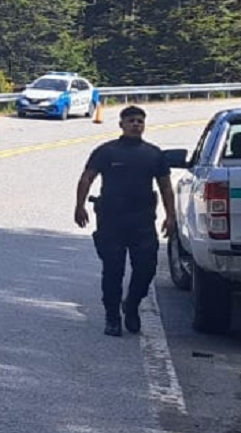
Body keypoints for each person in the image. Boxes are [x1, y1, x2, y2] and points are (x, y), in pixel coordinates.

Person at [74, 105, 176, 337]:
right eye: (131, 120)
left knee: (146, 268)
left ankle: (131, 306)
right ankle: (112, 318)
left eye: (140, 121)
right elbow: (87, 178)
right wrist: (79, 206)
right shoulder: (106, 151)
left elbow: (166, 187)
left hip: (142, 221)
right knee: (113, 270)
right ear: (121, 124)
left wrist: (171, 216)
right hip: (111, 220)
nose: (136, 124)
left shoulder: (154, 154)